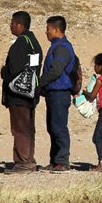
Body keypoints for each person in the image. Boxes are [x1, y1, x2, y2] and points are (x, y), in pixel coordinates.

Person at [1, 11, 43, 175]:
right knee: (28, 128)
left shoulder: (21, 43)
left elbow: (14, 69)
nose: (10, 26)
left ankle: (23, 162)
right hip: (30, 93)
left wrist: (4, 72)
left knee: (20, 129)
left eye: (12, 23)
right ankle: (28, 160)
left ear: (19, 24)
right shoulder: (34, 43)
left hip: (19, 95)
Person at [42, 15, 80, 173]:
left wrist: (40, 82)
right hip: (54, 92)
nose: (46, 32)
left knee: (59, 127)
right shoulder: (57, 46)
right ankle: (55, 160)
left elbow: (56, 70)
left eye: (48, 29)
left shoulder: (62, 48)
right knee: (52, 127)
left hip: (60, 92)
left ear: (57, 30)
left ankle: (63, 161)